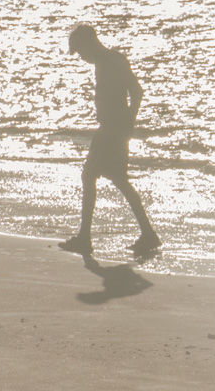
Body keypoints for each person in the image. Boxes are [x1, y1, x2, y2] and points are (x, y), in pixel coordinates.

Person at [59, 24, 160, 257]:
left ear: (90, 44)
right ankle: (148, 233)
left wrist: (129, 122)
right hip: (109, 128)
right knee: (118, 180)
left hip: (114, 130)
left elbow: (136, 91)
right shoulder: (104, 63)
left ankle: (86, 238)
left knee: (94, 176)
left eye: (80, 51)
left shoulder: (113, 61)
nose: (81, 57)